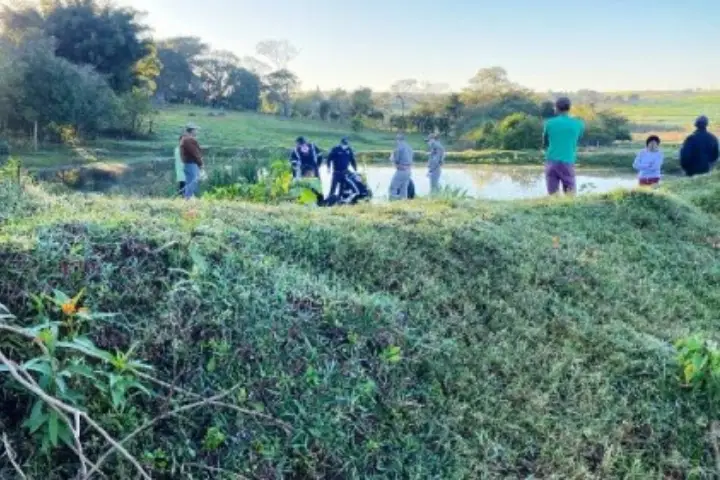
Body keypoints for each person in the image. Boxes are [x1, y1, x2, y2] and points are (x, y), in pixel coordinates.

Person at [542, 97, 585, 195]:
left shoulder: (549, 123)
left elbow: (545, 143)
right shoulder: (578, 124)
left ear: (556, 108)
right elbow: (577, 139)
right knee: (570, 194)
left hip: (551, 161)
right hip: (568, 161)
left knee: (553, 195)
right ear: (569, 108)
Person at [179, 124, 203, 199]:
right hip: (192, 163)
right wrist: (200, 163)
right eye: (196, 130)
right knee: (194, 181)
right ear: (192, 130)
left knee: (190, 181)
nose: (197, 131)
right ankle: (188, 197)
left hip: (188, 164)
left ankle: (188, 197)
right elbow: (195, 153)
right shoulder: (189, 140)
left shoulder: (185, 139)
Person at [389, 134, 413, 200]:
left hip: (401, 170)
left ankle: (392, 201)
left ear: (398, 140)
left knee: (393, 188)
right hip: (409, 170)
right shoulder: (409, 147)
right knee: (404, 189)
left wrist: (392, 158)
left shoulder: (398, 148)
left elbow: (396, 160)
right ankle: (403, 202)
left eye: (396, 140)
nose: (395, 142)